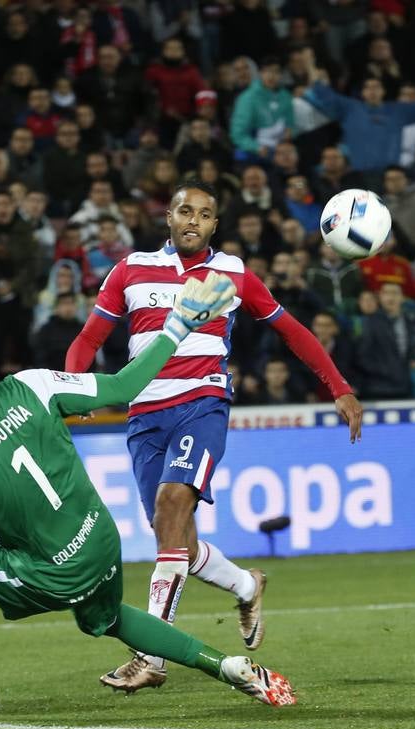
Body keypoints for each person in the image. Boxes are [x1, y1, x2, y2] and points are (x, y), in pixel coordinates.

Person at [0, 283, 297, 723]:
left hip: (52, 573)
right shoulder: (33, 385)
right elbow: (123, 386)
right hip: (101, 541)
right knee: (107, 617)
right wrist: (176, 327)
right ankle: (224, 665)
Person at [64, 179, 364, 692]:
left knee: (174, 505)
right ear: (169, 216)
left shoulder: (233, 274)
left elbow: (290, 329)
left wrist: (338, 385)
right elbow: (90, 337)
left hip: (202, 405)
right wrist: (74, 388)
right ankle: (248, 585)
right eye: (185, 211)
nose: (193, 221)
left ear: (214, 225)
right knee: (174, 536)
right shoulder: (131, 269)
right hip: (144, 418)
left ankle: (149, 655)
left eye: (204, 214)